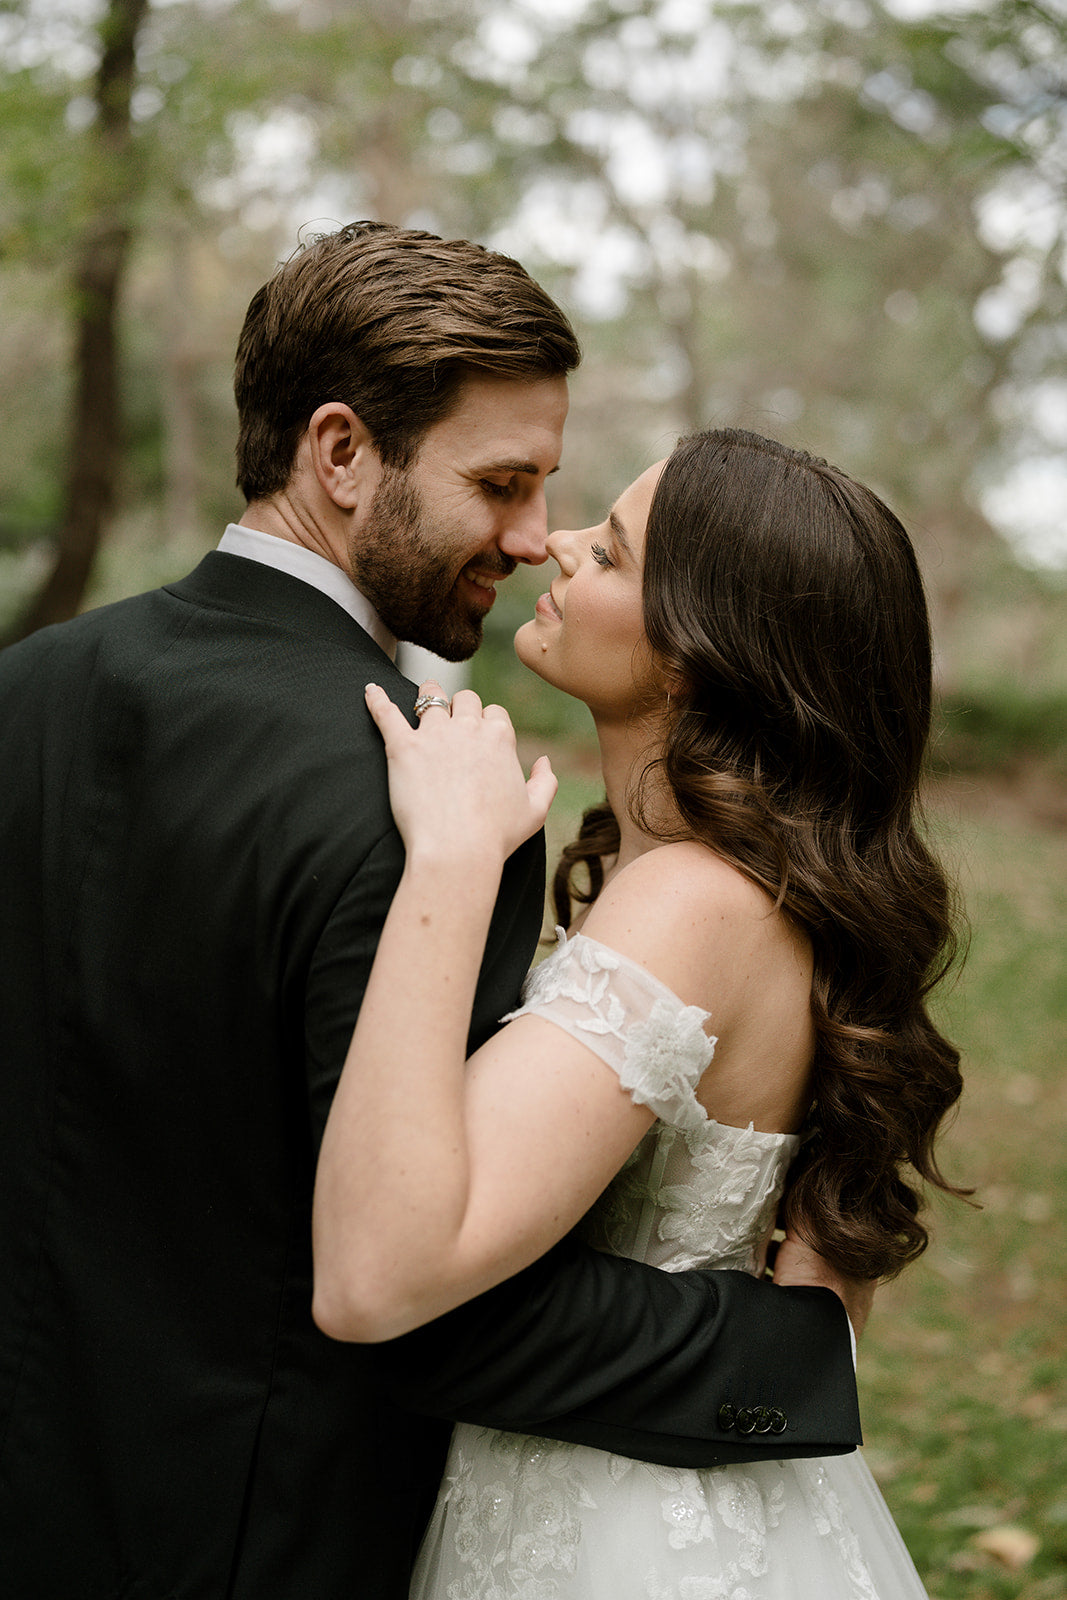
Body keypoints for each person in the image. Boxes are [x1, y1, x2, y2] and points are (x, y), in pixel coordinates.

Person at [0, 225, 862, 1600]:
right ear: (339, 454)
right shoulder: (421, 791)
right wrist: (784, 1357)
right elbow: (417, 1301)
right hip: (258, 1540)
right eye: (501, 484)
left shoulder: (31, 686)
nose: (530, 540)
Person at [320, 427, 967, 1598]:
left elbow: (376, 1273)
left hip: (619, 1532)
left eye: (609, 553)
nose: (557, 543)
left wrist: (453, 862)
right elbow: (822, 1305)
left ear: (688, 661)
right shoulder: (738, 885)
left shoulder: (688, 901)